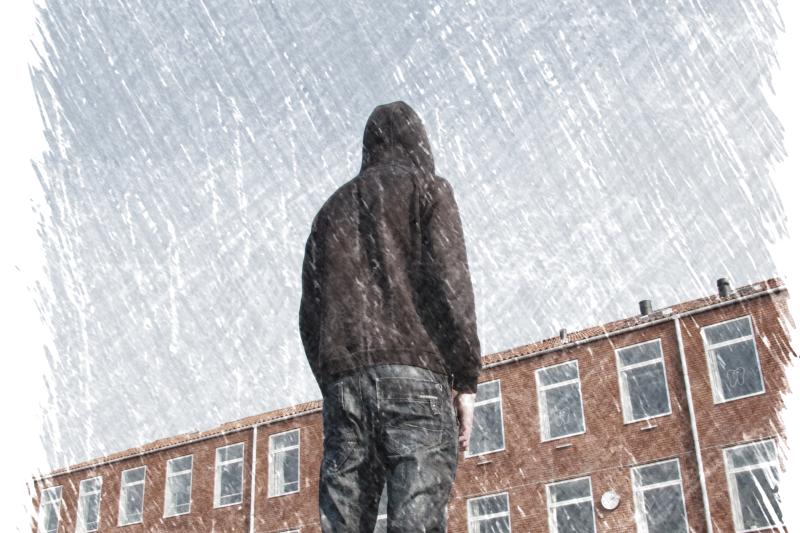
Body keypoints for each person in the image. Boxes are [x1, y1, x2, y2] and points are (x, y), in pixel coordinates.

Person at [299, 100, 482, 532]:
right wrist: (466, 379)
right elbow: (452, 285)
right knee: (415, 522)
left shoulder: (329, 213)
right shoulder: (428, 190)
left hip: (346, 386)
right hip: (416, 377)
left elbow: (309, 316)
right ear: (420, 143)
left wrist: (337, 379)